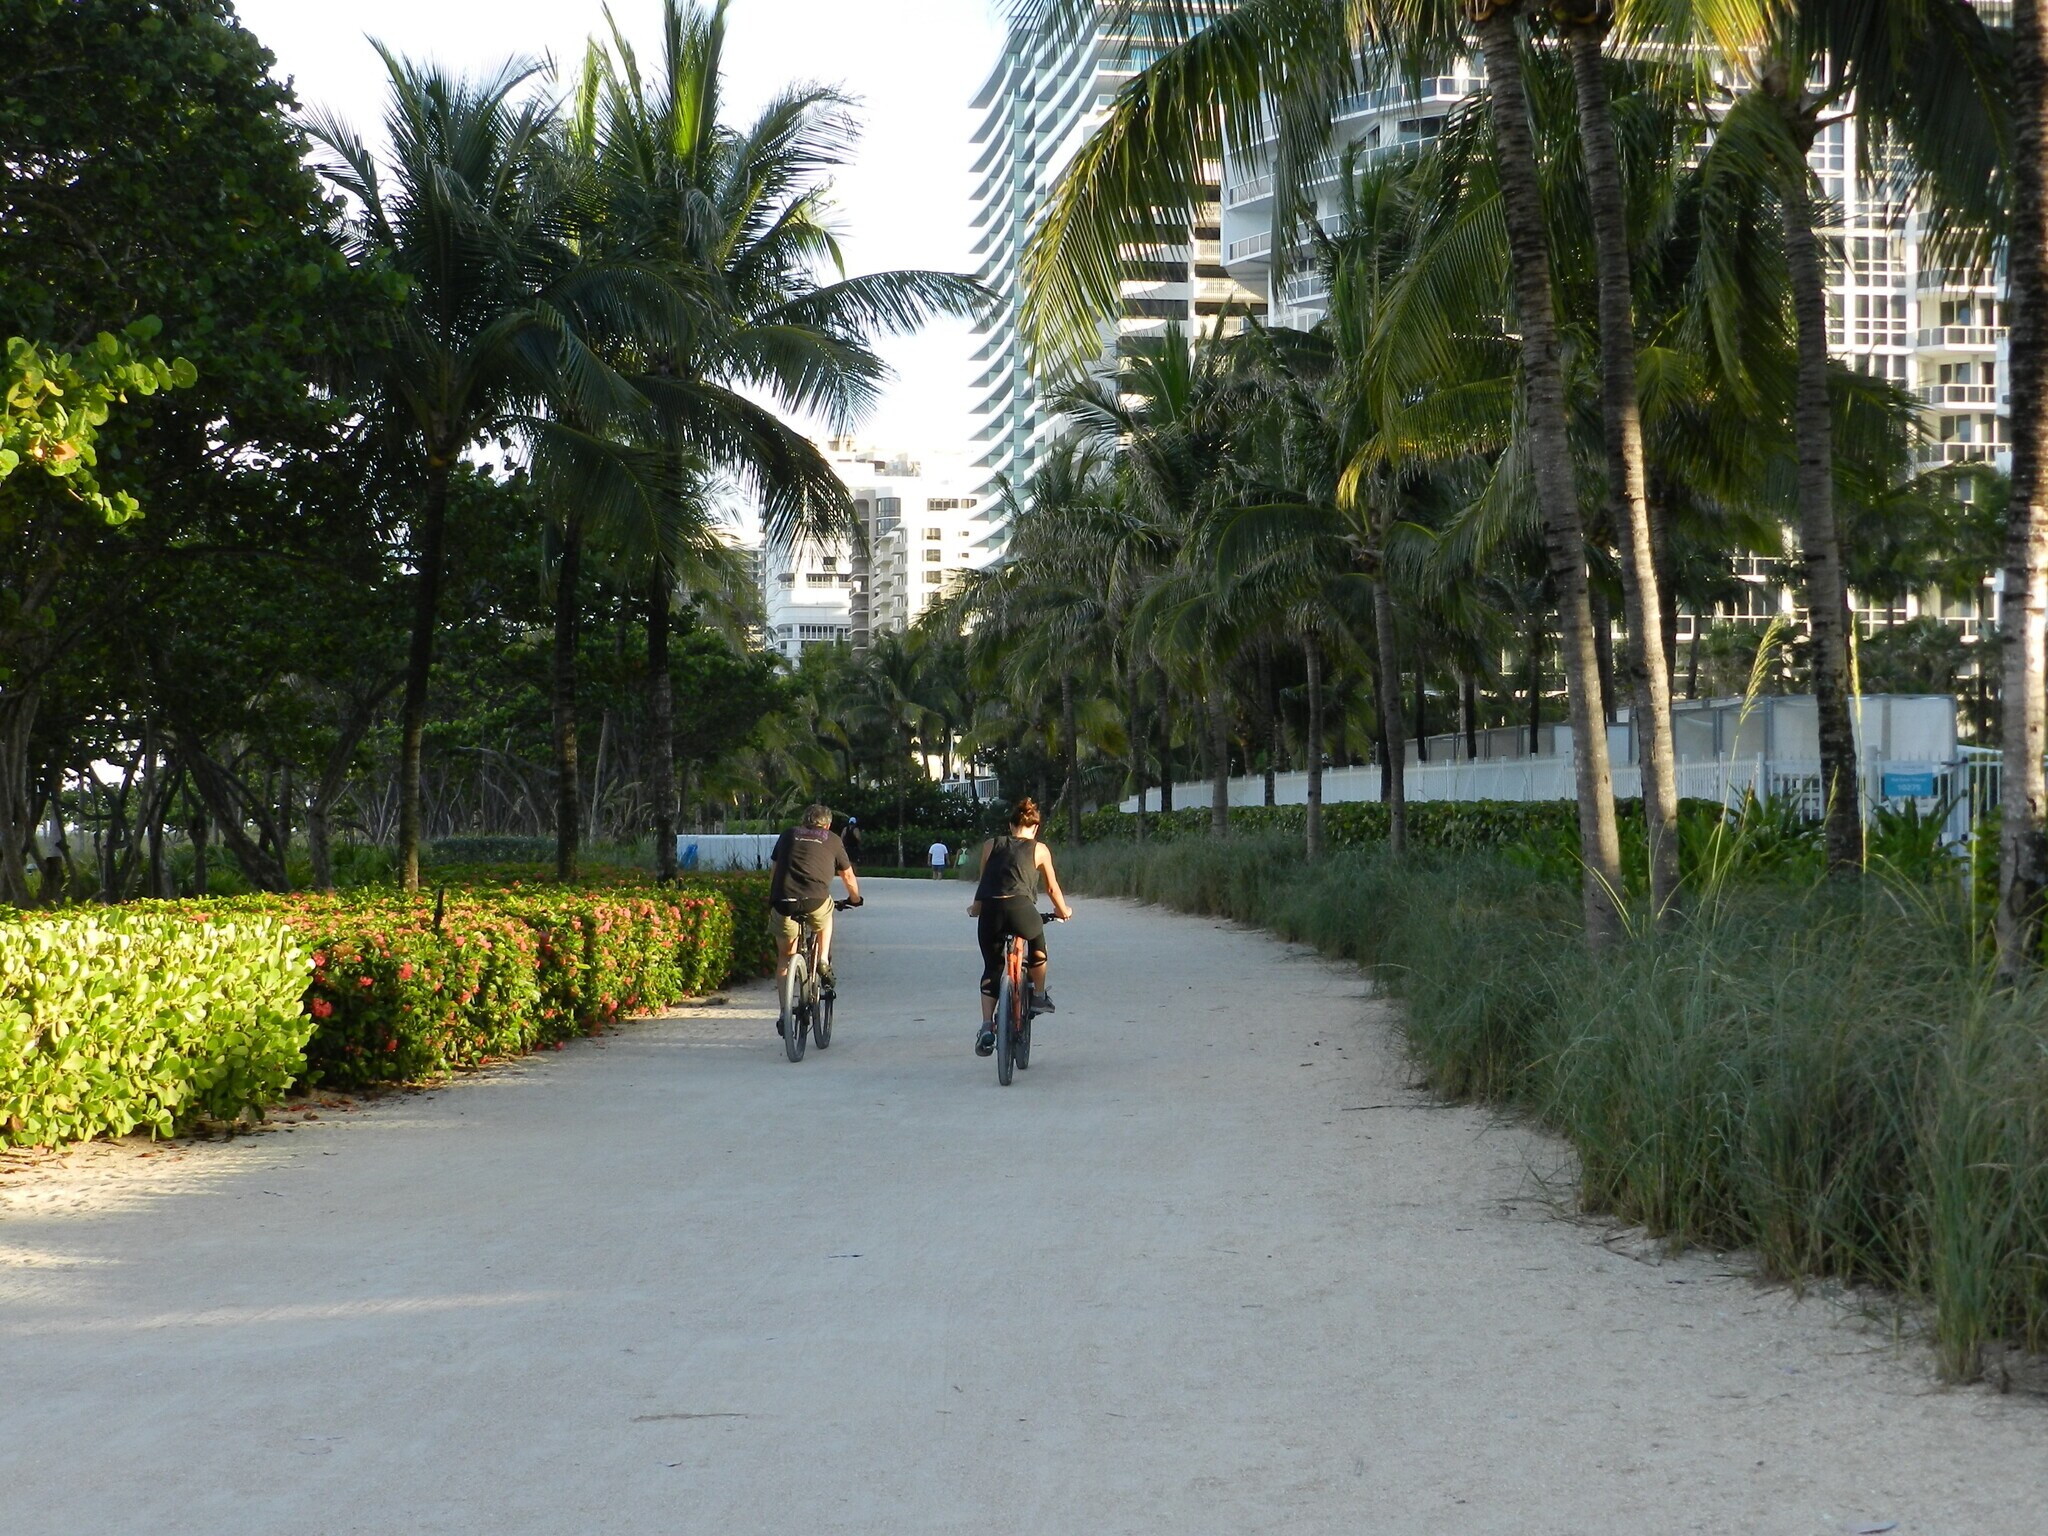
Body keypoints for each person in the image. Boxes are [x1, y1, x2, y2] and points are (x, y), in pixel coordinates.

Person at [967, 797, 1072, 1057]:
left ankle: (987, 1026)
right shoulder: (1040, 849)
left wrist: (976, 909)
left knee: (992, 966)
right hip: (1020, 909)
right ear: (1035, 828)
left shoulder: (991, 844)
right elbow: (1051, 888)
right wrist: (1063, 911)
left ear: (1010, 824)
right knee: (1036, 936)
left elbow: (984, 883)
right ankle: (1037, 994)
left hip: (991, 911)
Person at [769, 804, 861, 1037]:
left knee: (784, 957)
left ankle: (783, 1012)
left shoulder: (788, 834)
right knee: (826, 914)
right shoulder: (831, 839)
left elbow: (775, 869)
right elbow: (847, 875)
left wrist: (773, 895)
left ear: (804, 821)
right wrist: (855, 898)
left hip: (784, 901)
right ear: (828, 824)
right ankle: (821, 960)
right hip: (815, 901)